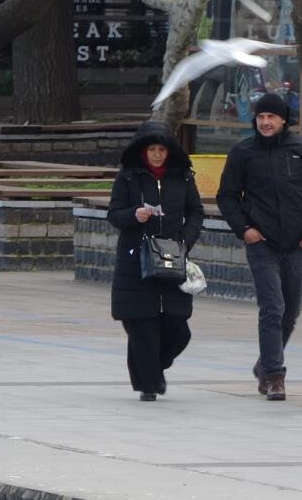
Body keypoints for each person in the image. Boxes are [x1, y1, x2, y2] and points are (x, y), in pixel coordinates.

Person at [216, 93, 302, 401]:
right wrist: (245, 229)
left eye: (272, 117)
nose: (265, 122)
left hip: (296, 243)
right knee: (272, 307)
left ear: (283, 120)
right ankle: (275, 376)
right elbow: (226, 196)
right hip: (261, 243)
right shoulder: (243, 152)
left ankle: (264, 363)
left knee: (291, 310)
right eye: (260, 117)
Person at [108, 121, 204, 401]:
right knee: (142, 323)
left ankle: (151, 368)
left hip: (172, 257)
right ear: (142, 151)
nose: (157, 154)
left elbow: (196, 212)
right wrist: (133, 216)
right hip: (135, 259)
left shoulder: (182, 176)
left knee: (178, 329)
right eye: (152, 149)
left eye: (162, 149)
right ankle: (148, 383)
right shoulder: (128, 177)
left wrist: (185, 240)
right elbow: (114, 214)